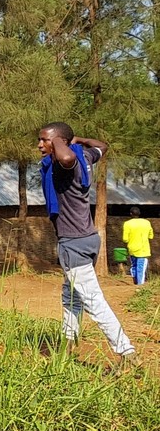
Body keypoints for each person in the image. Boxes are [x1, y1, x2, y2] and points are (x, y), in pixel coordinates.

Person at [37, 122, 137, 365]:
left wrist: (63, 143)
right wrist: (78, 139)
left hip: (74, 244)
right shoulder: (86, 157)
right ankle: (68, 343)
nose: (40, 145)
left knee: (93, 300)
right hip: (88, 239)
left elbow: (66, 156)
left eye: (45, 140)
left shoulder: (65, 165)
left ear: (59, 143)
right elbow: (102, 146)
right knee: (71, 295)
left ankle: (127, 352)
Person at [122, 206, 153, 286]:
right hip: (143, 249)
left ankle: (135, 282)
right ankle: (140, 285)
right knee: (141, 267)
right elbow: (151, 236)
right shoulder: (147, 222)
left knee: (134, 266)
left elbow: (125, 239)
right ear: (139, 214)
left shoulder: (127, 224)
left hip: (132, 249)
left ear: (130, 214)